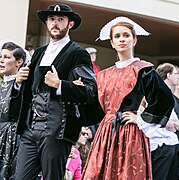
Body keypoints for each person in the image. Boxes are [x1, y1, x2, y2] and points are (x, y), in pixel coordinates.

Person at [14, 3, 100, 180]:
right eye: (52, 19)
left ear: (70, 24)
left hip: (57, 128)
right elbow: (30, 90)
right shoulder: (38, 53)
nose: (55, 23)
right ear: (46, 23)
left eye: (61, 19)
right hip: (31, 127)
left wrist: (60, 84)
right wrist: (19, 81)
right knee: (21, 176)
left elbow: (90, 90)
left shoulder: (78, 53)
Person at [82, 16, 175, 180]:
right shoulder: (104, 75)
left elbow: (164, 99)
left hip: (130, 133)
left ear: (134, 40)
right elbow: (97, 107)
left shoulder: (143, 70)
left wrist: (140, 119)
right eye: (117, 36)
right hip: (106, 133)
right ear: (112, 42)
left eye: (126, 35)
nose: (122, 39)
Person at [0, 41, 27, 180]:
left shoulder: (23, 85)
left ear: (19, 62)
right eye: (0, 56)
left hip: (13, 140)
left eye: (6, 57)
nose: (1, 60)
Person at [156, 63, 179, 180]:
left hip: (171, 144)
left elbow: (175, 122)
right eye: (175, 74)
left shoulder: (168, 94)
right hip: (161, 146)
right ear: (168, 76)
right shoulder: (158, 92)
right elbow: (166, 121)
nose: (178, 77)